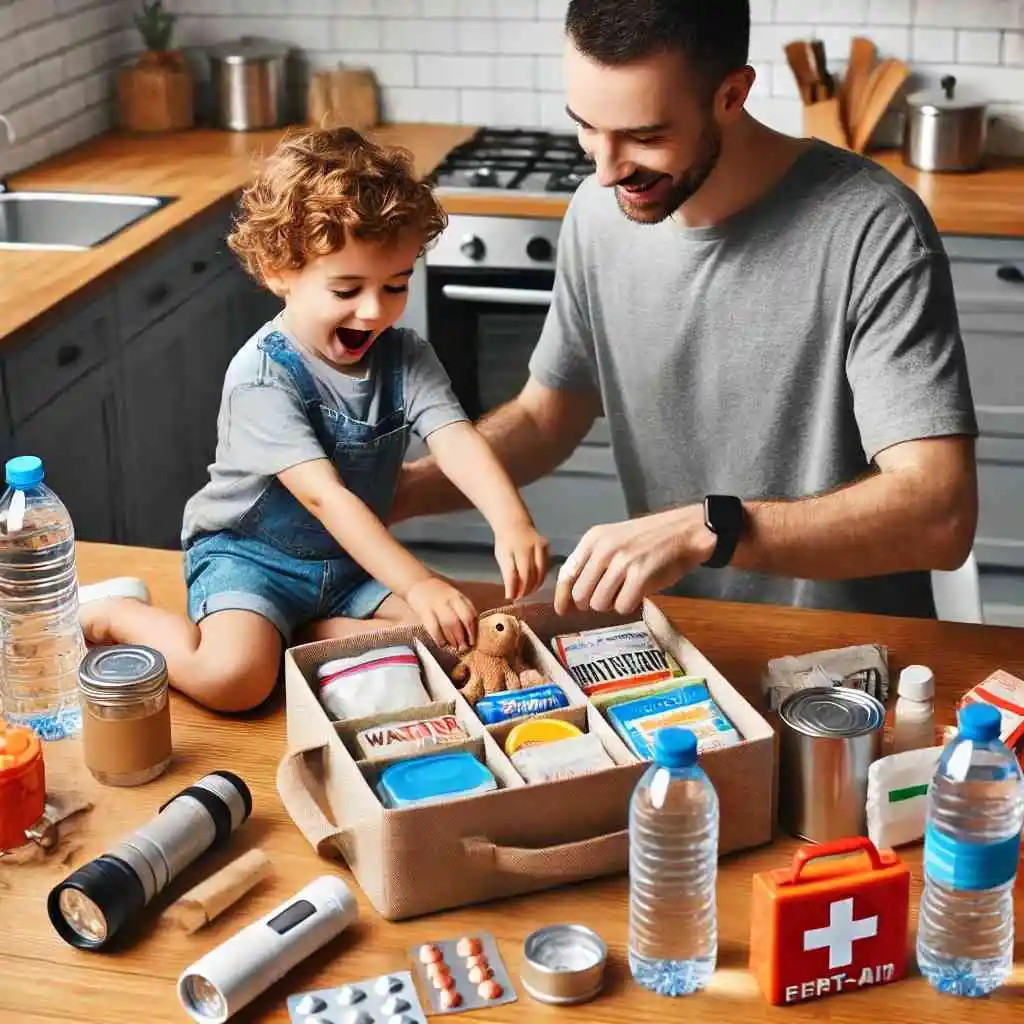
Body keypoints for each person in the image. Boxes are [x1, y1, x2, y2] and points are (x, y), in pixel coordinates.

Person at [391, 0, 978, 621]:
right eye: (586, 126)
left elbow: (939, 513)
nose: (607, 169)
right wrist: (399, 490)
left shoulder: (872, 227)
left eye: (645, 136)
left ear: (732, 95)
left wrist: (713, 528)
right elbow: (546, 417)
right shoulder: (598, 213)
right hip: (677, 642)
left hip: (848, 657)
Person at [79, 127, 548, 712]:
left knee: (451, 642)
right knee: (234, 680)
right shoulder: (262, 376)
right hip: (251, 560)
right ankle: (118, 615)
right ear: (280, 270)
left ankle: (293, 635)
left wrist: (511, 521)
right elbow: (326, 498)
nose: (375, 310)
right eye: (347, 288)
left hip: (349, 566)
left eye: (395, 284)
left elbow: (456, 440)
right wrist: (417, 582)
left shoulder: (405, 357)